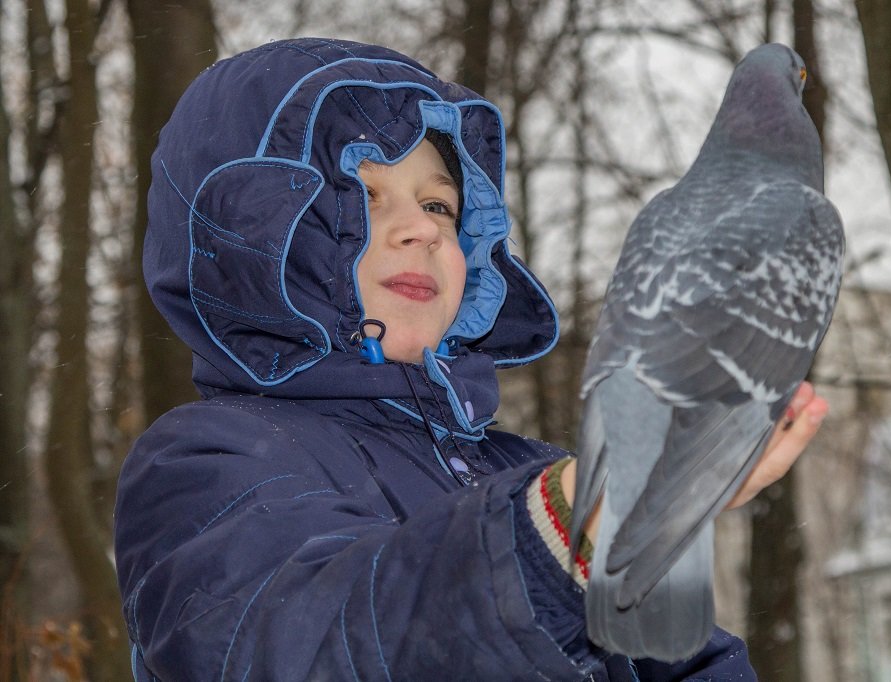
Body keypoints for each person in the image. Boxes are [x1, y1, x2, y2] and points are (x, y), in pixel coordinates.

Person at [114, 37, 828, 681]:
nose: (420, 228)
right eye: (363, 196)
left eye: (441, 205)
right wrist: (560, 529)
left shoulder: (529, 473)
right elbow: (307, 647)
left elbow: (688, 664)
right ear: (251, 234)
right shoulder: (203, 465)